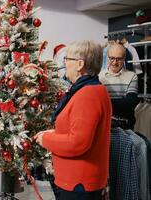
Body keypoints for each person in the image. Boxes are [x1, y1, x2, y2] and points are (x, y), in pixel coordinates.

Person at [34, 40, 112, 200]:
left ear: (80, 64)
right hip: (78, 181)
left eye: (67, 59)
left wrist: (46, 139)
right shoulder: (89, 90)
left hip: (79, 183)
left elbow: (78, 143)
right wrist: (56, 132)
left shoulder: (87, 95)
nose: (64, 64)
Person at [99, 43, 139, 129]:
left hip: (126, 126)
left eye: (119, 59)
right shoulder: (99, 77)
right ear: (107, 57)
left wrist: (105, 102)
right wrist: (121, 102)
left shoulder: (132, 76)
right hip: (105, 126)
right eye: (112, 58)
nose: (114, 62)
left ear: (124, 58)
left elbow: (130, 103)